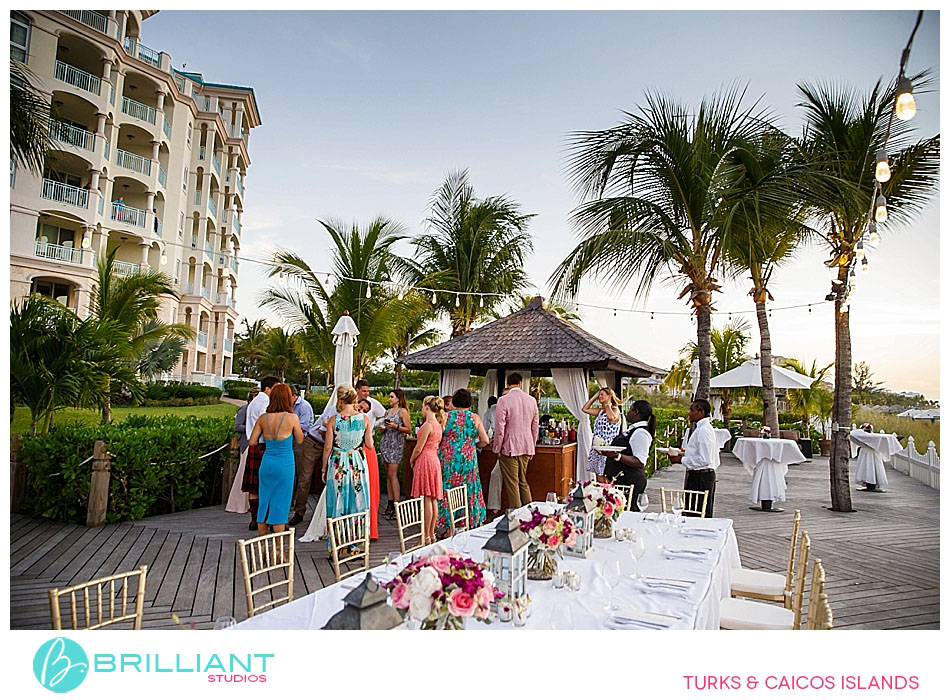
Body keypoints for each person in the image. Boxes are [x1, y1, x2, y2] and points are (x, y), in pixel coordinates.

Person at [247, 383, 303, 536]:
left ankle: (263, 547)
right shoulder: (292, 418)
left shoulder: (263, 418)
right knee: (280, 505)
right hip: (285, 464)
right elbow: (299, 440)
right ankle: (278, 550)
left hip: (267, 462)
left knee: (264, 503)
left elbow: (252, 441)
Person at [436, 388, 490, 534]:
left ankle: (448, 526)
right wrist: (473, 445)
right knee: (468, 488)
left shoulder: (445, 417)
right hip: (468, 460)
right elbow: (485, 440)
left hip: (448, 460)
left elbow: (437, 437)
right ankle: (467, 522)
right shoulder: (474, 418)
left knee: (448, 489)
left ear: (453, 401)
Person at [322, 385, 373, 534]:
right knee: (358, 497)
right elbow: (369, 445)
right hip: (357, 461)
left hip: (338, 462)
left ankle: (338, 544)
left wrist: (323, 468)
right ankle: (357, 541)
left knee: (338, 497)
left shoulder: (334, 420)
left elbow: (327, 448)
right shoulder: (364, 419)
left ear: (340, 400)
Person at [492, 372, 539, 509]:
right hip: (526, 446)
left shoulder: (503, 400)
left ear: (507, 383)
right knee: (522, 482)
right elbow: (534, 427)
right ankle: (531, 514)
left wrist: (497, 448)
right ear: (520, 383)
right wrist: (532, 447)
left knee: (513, 484)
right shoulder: (531, 400)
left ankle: (515, 518)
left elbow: (500, 427)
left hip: (509, 447)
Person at [668, 398, 719, 518]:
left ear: (701, 412)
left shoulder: (703, 431)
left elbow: (705, 459)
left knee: (697, 513)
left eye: (692, 410)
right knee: (692, 511)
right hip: (698, 475)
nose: (689, 413)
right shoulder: (702, 428)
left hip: (701, 477)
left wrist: (680, 460)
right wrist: (683, 455)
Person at [600, 400, 655, 507]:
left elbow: (639, 461)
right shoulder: (633, 430)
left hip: (631, 482)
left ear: (636, 412)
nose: (627, 412)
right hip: (622, 481)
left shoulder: (641, 433)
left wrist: (617, 456)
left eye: (630, 410)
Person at [242, 376, 279, 530]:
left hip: (253, 445)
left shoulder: (254, 401)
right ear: (267, 388)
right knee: (265, 486)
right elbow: (268, 426)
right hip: (263, 445)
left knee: (253, 487)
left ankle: (254, 519)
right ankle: (264, 519)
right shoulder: (265, 402)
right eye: (276, 387)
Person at [410, 396, 445, 545]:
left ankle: (425, 536)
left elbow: (419, 448)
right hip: (434, 460)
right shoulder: (438, 424)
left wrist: (411, 460)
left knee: (426, 498)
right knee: (432, 499)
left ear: (426, 407)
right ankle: (430, 535)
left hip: (425, 460)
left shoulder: (428, 425)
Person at [288, 387, 319, 527]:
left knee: (302, 476)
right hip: (293, 441)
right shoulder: (288, 407)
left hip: (302, 441)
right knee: (297, 476)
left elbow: (305, 426)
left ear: (294, 396)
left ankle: (299, 510)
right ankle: (294, 508)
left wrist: (287, 427)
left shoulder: (304, 406)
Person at [378, 389, 411, 520]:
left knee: (393, 474)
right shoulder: (387, 412)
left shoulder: (403, 412)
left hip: (395, 444)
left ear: (398, 398)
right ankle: (390, 503)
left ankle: (397, 506)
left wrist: (396, 427)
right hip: (386, 442)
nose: (389, 399)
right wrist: (383, 428)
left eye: (392, 397)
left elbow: (408, 429)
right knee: (388, 475)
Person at [225, 387, 259, 514]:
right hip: (246, 444)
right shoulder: (245, 409)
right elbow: (237, 426)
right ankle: (238, 503)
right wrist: (253, 427)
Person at [583, 387, 623, 482]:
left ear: (609, 396)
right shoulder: (601, 411)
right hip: (598, 446)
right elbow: (585, 409)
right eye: (599, 394)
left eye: (602, 395)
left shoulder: (615, 409)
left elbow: (611, 417)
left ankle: (608, 495)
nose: (600, 397)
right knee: (598, 476)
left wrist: (608, 405)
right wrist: (594, 396)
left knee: (606, 476)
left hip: (607, 447)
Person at [357, 398, 380, 540]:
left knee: (370, 489)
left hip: (367, 453)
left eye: (364, 410)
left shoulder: (364, 420)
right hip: (361, 452)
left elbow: (369, 443)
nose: (361, 411)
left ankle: (370, 528)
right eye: (360, 407)